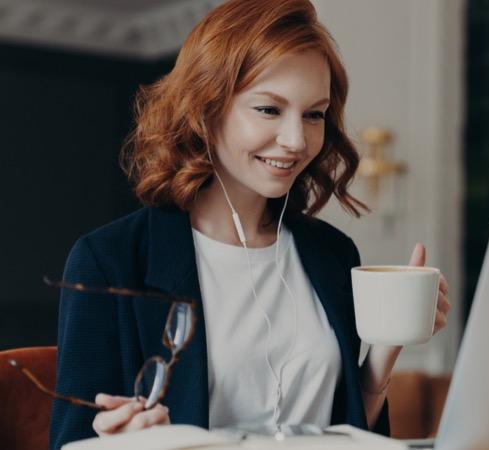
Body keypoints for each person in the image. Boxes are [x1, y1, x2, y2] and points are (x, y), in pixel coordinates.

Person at [48, 0, 450, 448]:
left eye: (314, 114)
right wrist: (122, 440)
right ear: (205, 108)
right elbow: (72, 439)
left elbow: (343, 431)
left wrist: (386, 344)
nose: (297, 140)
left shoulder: (333, 255)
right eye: (268, 110)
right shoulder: (109, 260)